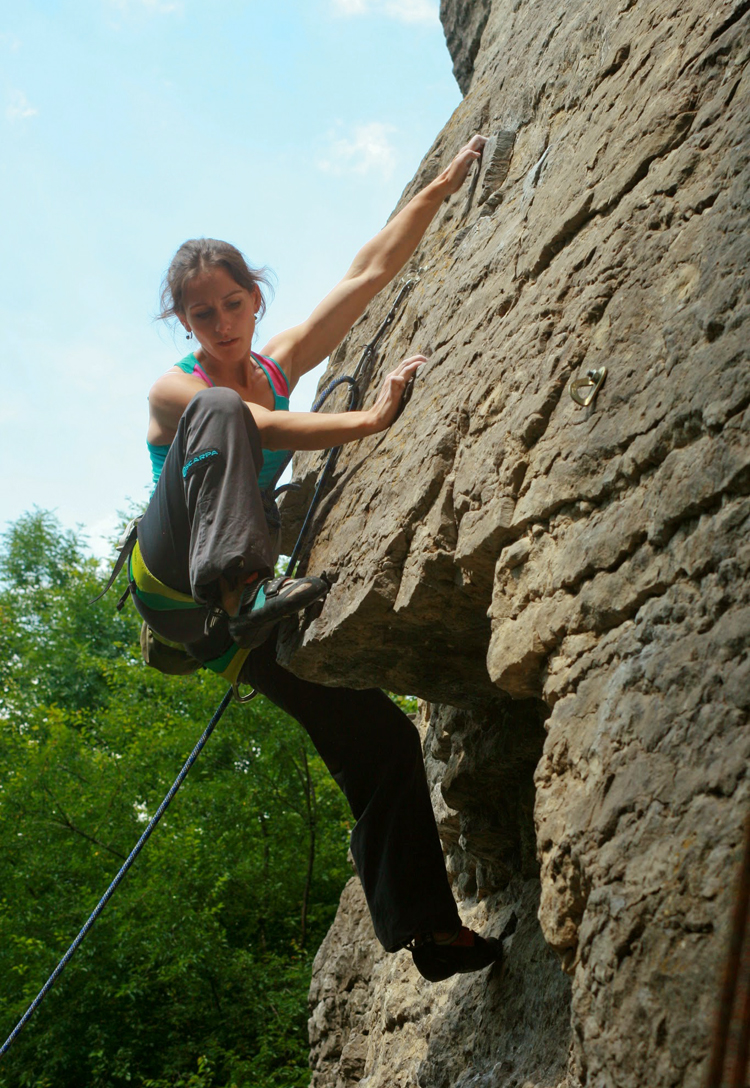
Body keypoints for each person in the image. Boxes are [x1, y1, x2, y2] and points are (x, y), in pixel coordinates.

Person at [129, 134, 501, 982]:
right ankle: (245, 583)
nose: (221, 325)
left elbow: (366, 274)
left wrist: (440, 190)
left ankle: (430, 933)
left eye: (232, 305)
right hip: (173, 578)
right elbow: (253, 427)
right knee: (222, 407)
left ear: (254, 298)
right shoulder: (179, 388)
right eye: (202, 315)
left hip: (228, 632)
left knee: (379, 739)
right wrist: (369, 422)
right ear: (182, 324)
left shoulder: (275, 361)